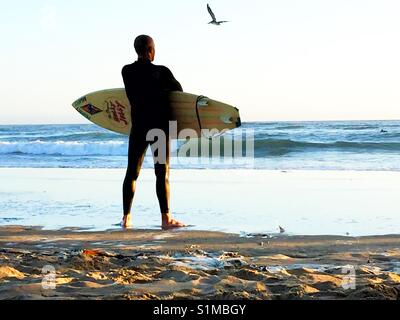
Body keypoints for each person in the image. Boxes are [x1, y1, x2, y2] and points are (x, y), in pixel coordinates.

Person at [121, 35, 186, 229]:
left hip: (138, 127)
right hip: (158, 128)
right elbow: (179, 93)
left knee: (132, 173)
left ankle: (126, 219)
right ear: (151, 50)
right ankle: (166, 219)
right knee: (161, 173)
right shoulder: (161, 72)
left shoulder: (126, 71)